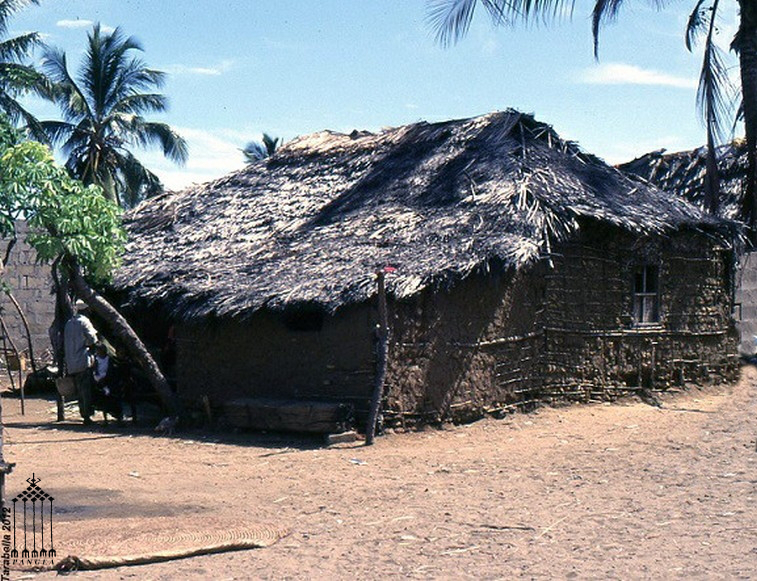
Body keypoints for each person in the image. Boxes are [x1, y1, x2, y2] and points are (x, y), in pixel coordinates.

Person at [64, 300, 98, 424]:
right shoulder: (84, 322)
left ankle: (83, 413)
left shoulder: (69, 323)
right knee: (86, 390)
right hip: (83, 360)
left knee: (79, 390)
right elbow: (93, 339)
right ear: (86, 310)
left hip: (72, 363)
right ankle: (87, 415)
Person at [92, 343, 124, 425]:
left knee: (115, 398)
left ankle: (119, 418)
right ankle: (105, 419)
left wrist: (106, 378)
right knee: (102, 398)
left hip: (110, 381)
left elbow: (113, 371)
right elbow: (95, 372)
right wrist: (98, 379)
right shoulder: (96, 360)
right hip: (100, 382)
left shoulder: (110, 360)